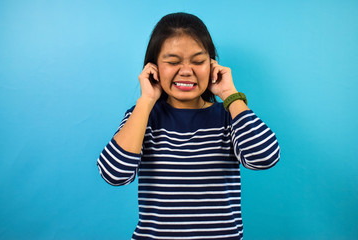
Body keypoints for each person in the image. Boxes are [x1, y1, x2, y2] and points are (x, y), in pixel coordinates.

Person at [97, 12, 280, 240]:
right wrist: (145, 101)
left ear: (213, 65)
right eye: (173, 62)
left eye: (198, 61)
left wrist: (230, 95)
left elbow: (265, 158)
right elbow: (114, 174)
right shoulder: (143, 118)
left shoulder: (227, 118)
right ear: (153, 68)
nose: (186, 70)